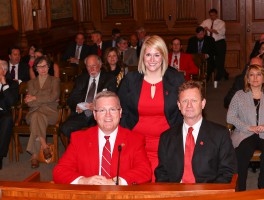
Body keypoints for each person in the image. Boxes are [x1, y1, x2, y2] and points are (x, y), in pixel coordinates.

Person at [118, 35, 185, 181]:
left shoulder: (176, 80)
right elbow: (121, 112)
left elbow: (183, 114)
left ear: (163, 56)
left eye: (157, 55)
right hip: (137, 144)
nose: (152, 60)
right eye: (148, 55)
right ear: (142, 57)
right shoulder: (130, 80)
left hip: (166, 145)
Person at [53, 91, 152, 185]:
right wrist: (84, 181)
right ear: (95, 114)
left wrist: (117, 181)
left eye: (112, 109)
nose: (108, 115)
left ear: (120, 112)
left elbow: (144, 171)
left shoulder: (135, 139)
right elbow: (60, 171)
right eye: (102, 110)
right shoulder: (79, 138)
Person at [155, 80, 237, 183]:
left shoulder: (220, 135)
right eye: (185, 101)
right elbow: (162, 173)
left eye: (194, 100)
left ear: (203, 104)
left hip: (208, 194)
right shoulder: (166, 137)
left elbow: (228, 172)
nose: (189, 105)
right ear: (179, 105)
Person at [227, 64, 264, 191]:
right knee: (241, 153)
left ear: (263, 78)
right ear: (247, 79)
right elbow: (230, 117)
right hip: (245, 133)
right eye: (251, 75)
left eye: (258, 75)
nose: (255, 78)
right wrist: (248, 127)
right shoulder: (239, 95)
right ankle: (240, 190)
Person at [60, 55, 117, 139]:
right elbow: (71, 99)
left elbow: (112, 99)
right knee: (65, 128)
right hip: (81, 114)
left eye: (94, 66)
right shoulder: (81, 79)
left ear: (100, 65)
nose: (91, 69)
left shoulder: (109, 79)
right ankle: (82, 148)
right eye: (88, 66)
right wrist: (77, 106)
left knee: (96, 132)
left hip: (98, 116)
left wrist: (97, 106)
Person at [25, 56, 61, 168]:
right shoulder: (31, 83)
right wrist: (45, 97)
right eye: (39, 66)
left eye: (44, 66)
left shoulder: (55, 80)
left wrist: (35, 97)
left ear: (48, 67)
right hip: (34, 112)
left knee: (36, 116)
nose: (42, 69)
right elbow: (29, 103)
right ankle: (44, 146)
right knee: (37, 116)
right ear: (36, 68)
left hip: (51, 113)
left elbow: (53, 96)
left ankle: (35, 155)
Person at [0, 60, 19, 169]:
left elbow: (12, 102)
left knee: (7, 119)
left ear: (4, 70)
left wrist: (4, 84)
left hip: (3, 112)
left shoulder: (12, 84)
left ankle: (0, 156)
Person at [201, 8, 228, 81]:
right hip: (210, 43)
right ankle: (224, 73)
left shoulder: (221, 23)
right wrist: (203, 30)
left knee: (220, 60)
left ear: (216, 15)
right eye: (210, 15)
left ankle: (218, 77)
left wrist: (210, 30)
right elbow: (200, 28)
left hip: (219, 43)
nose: (212, 17)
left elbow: (221, 32)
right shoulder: (206, 21)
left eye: (213, 15)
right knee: (212, 60)